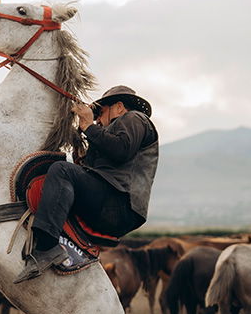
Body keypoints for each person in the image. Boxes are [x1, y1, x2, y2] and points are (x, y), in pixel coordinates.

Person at [14, 85, 159, 283]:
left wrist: (89, 126)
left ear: (118, 107)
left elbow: (121, 150)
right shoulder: (108, 133)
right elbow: (90, 170)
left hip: (119, 202)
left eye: (100, 112)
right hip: (108, 201)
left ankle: (47, 247)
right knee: (57, 181)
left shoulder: (134, 118)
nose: (98, 118)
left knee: (61, 170)